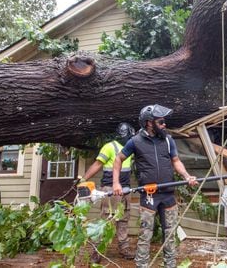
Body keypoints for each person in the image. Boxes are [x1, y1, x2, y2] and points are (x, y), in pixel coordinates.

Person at [112, 104, 198, 268]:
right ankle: (142, 264)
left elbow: (176, 161)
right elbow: (118, 160)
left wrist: (187, 176)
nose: (164, 125)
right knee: (146, 233)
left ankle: (170, 264)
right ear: (149, 123)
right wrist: (116, 183)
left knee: (170, 232)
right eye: (161, 122)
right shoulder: (135, 141)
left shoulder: (167, 139)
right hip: (149, 194)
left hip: (168, 194)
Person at [82, 122, 136, 263]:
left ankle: (123, 247)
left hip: (125, 189)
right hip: (110, 189)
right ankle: (97, 251)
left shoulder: (129, 148)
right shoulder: (109, 147)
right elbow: (97, 164)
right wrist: (83, 179)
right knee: (106, 219)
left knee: (124, 218)